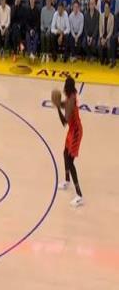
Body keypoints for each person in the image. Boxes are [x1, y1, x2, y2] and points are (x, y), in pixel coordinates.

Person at [56, 77, 84, 207]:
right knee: (64, 153)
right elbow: (66, 104)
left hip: (76, 132)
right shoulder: (71, 96)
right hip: (73, 130)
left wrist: (58, 108)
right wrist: (59, 103)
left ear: (66, 87)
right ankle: (67, 180)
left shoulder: (71, 100)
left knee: (70, 162)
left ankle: (79, 195)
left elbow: (64, 122)